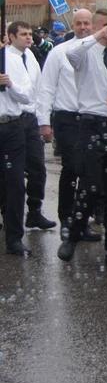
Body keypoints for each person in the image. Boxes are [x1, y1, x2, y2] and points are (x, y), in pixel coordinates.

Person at [56, 10, 107, 267]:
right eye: (104, 26)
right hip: (91, 123)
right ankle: (74, 233)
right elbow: (72, 54)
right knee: (90, 184)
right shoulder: (85, 54)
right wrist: (96, 37)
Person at [37, 9, 96, 238]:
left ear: (92, 25)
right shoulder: (59, 53)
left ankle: (83, 220)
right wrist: (44, 121)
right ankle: (67, 219)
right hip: (67, 118)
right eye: (79, 23)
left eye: (87, 23)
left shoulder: (97, 52)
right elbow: (47, 87)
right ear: (73, 25)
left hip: (90, 118)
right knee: (72, 169)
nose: (83, 27)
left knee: (90, 173)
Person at [7, 21, 55, 231]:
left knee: (37, 167)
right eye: (23, 34)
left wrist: (43, 119)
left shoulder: (32, 57)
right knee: (12, 174)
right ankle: (7, 212)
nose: (28, 37)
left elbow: (40, 89)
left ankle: (34, 210)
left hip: (31, 119)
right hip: (14, 118)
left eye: (30, 34)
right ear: (11, 36)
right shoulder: (6, 58)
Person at [0, 32, 32, 256]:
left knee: (15, 183)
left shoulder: (12, 59)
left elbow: (27, 95)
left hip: (11, 127)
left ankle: (14, 237)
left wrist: (9, 84)